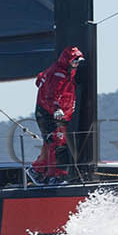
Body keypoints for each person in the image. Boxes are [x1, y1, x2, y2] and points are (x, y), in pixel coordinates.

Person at [29, 46, 85, 185]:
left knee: (51, 143)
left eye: (79, 61)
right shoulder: (58, 74)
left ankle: (37, 171)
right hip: (50, 113)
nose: (77, 63)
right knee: (57, 144)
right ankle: (56, 177)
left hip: (54, 114)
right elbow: (50, 94)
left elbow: (40, 79)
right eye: (75, 60)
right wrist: (56, 108)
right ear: (68, 60)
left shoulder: (65, 71)